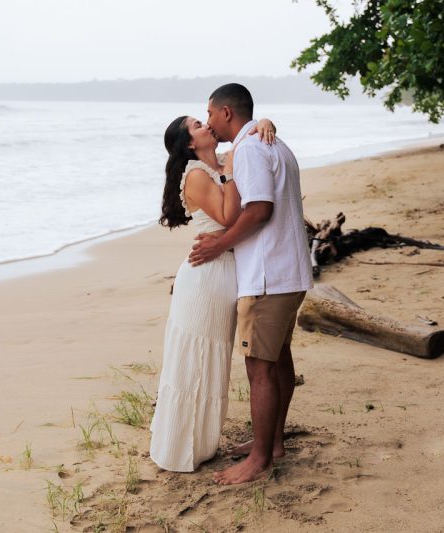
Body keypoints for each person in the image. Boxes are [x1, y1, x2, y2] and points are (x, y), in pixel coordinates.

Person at [189, 83, 313, 485]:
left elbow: (259, 209)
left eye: (209, 114)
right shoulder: (268, 142)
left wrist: (219, 245)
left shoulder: (253, 148)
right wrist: (264, 121)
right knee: (276, 359)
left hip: (267, 274)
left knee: (259, 367)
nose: (207, 121)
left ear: (226, 112)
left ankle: (259, 459)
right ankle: (272, 443)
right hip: (285, 270)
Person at [149, 115, 277, 472]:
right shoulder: (195, 174)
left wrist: (264, 121)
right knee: (194, 360)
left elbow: (250, 127)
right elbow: (227, 214)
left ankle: (201, 444)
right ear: (190, 143)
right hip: (206, 278)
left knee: (213, 362)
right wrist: (233, 169)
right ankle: (179, 449)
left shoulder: (221, 162)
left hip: (226, 271)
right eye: (196, 125)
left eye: (205, 119)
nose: (206, 125)